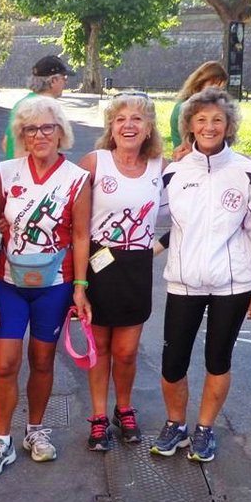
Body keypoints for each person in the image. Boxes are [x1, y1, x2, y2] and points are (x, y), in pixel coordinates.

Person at [0, 95, 92, 477]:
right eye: (30, 129)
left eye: (47, 128)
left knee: (42, 360)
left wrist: (79, 287)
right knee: (5, 363)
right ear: (21, 135)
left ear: (60, 133)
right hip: (8, 283)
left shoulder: (76, 178)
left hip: (54, 285)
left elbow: (80, 234)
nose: (39, 135)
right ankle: (1, 440)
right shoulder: (8, 172)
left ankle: (35, 431)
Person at [150, 87, 251, 463]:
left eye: (217, 119)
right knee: (173, 362)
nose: (209, 126)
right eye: (201, 119)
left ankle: (204, 429)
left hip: (233, 283)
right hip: (184, 282)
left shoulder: (246, 171)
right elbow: (149, 215)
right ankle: (175, 424)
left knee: (218, 359)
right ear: (189, 125)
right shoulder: (174, 172)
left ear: (229, 125)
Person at [77, 93, 166, 451]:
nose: (128, 125)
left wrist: (154, 249)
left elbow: (187, 215)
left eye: (137, 119)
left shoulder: (162, 167)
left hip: (136, 268)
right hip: (99, 264)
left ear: (149, 128)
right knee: (99, 347)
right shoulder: (94, 162)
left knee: (127, 351)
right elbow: (71, 218)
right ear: (111, 127)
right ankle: (99, 416)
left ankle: (123, 408)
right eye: (120, 119)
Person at [1, 55, 75, 159]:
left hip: (15, 167)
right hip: (29, 168)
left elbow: (6, 142)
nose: (66, 82)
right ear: (53, 81)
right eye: (64, 78)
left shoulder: (22, 103)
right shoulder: (44, 107)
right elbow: (31, 147)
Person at [169, 61, 228, 151]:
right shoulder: (184, 108)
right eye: (213, 85)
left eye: (221, 88)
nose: (216, 91)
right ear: (200, 82)